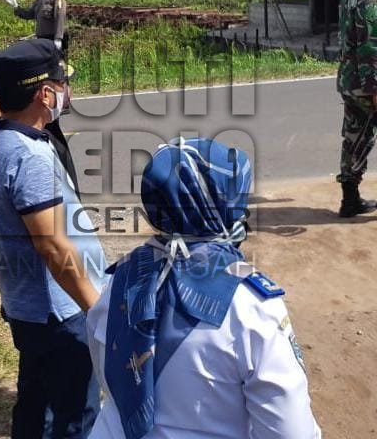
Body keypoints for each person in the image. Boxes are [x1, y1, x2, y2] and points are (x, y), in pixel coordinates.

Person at [86, 137, 321, 439]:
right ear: (221, 209)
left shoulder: (116, 283)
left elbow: (108, 380)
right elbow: (291, 432)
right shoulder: (251, 307)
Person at [0, 38, 105, 438]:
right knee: (75, 413)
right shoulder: (29, 155)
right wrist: (95, 309)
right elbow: (52, 246)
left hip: (30, 308)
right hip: (60, 312)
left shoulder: (1, 139)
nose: (67, 92)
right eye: (62, 83)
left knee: (36, 403)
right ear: (44, 93)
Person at [4, 0, 78, 192]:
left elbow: (60, 20)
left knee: (56, 80)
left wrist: (57, 40)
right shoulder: (40, 0)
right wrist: (15, 7)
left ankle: (59, 105)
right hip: (40, 44)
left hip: (52, 45)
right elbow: (29, 14)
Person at [336, 0, 377, 217]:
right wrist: (374, 87)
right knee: (359, 137)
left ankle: (350, 200)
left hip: (350, 81)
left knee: (355, 137)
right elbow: (371, 46)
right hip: (368, 83)